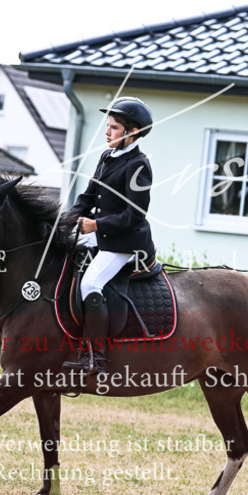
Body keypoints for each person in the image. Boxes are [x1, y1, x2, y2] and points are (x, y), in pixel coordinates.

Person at [63, 96, 155, 375]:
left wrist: (96, 226)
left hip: (126, 243)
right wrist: (63, 223)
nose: (107, 132)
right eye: (108, 126)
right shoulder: (107, 156)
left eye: (114, 127)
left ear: (132, 132)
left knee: (90, 284)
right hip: (101, 235)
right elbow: (88, 196)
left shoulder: (139, 165)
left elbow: (133, 216)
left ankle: (95, 357)